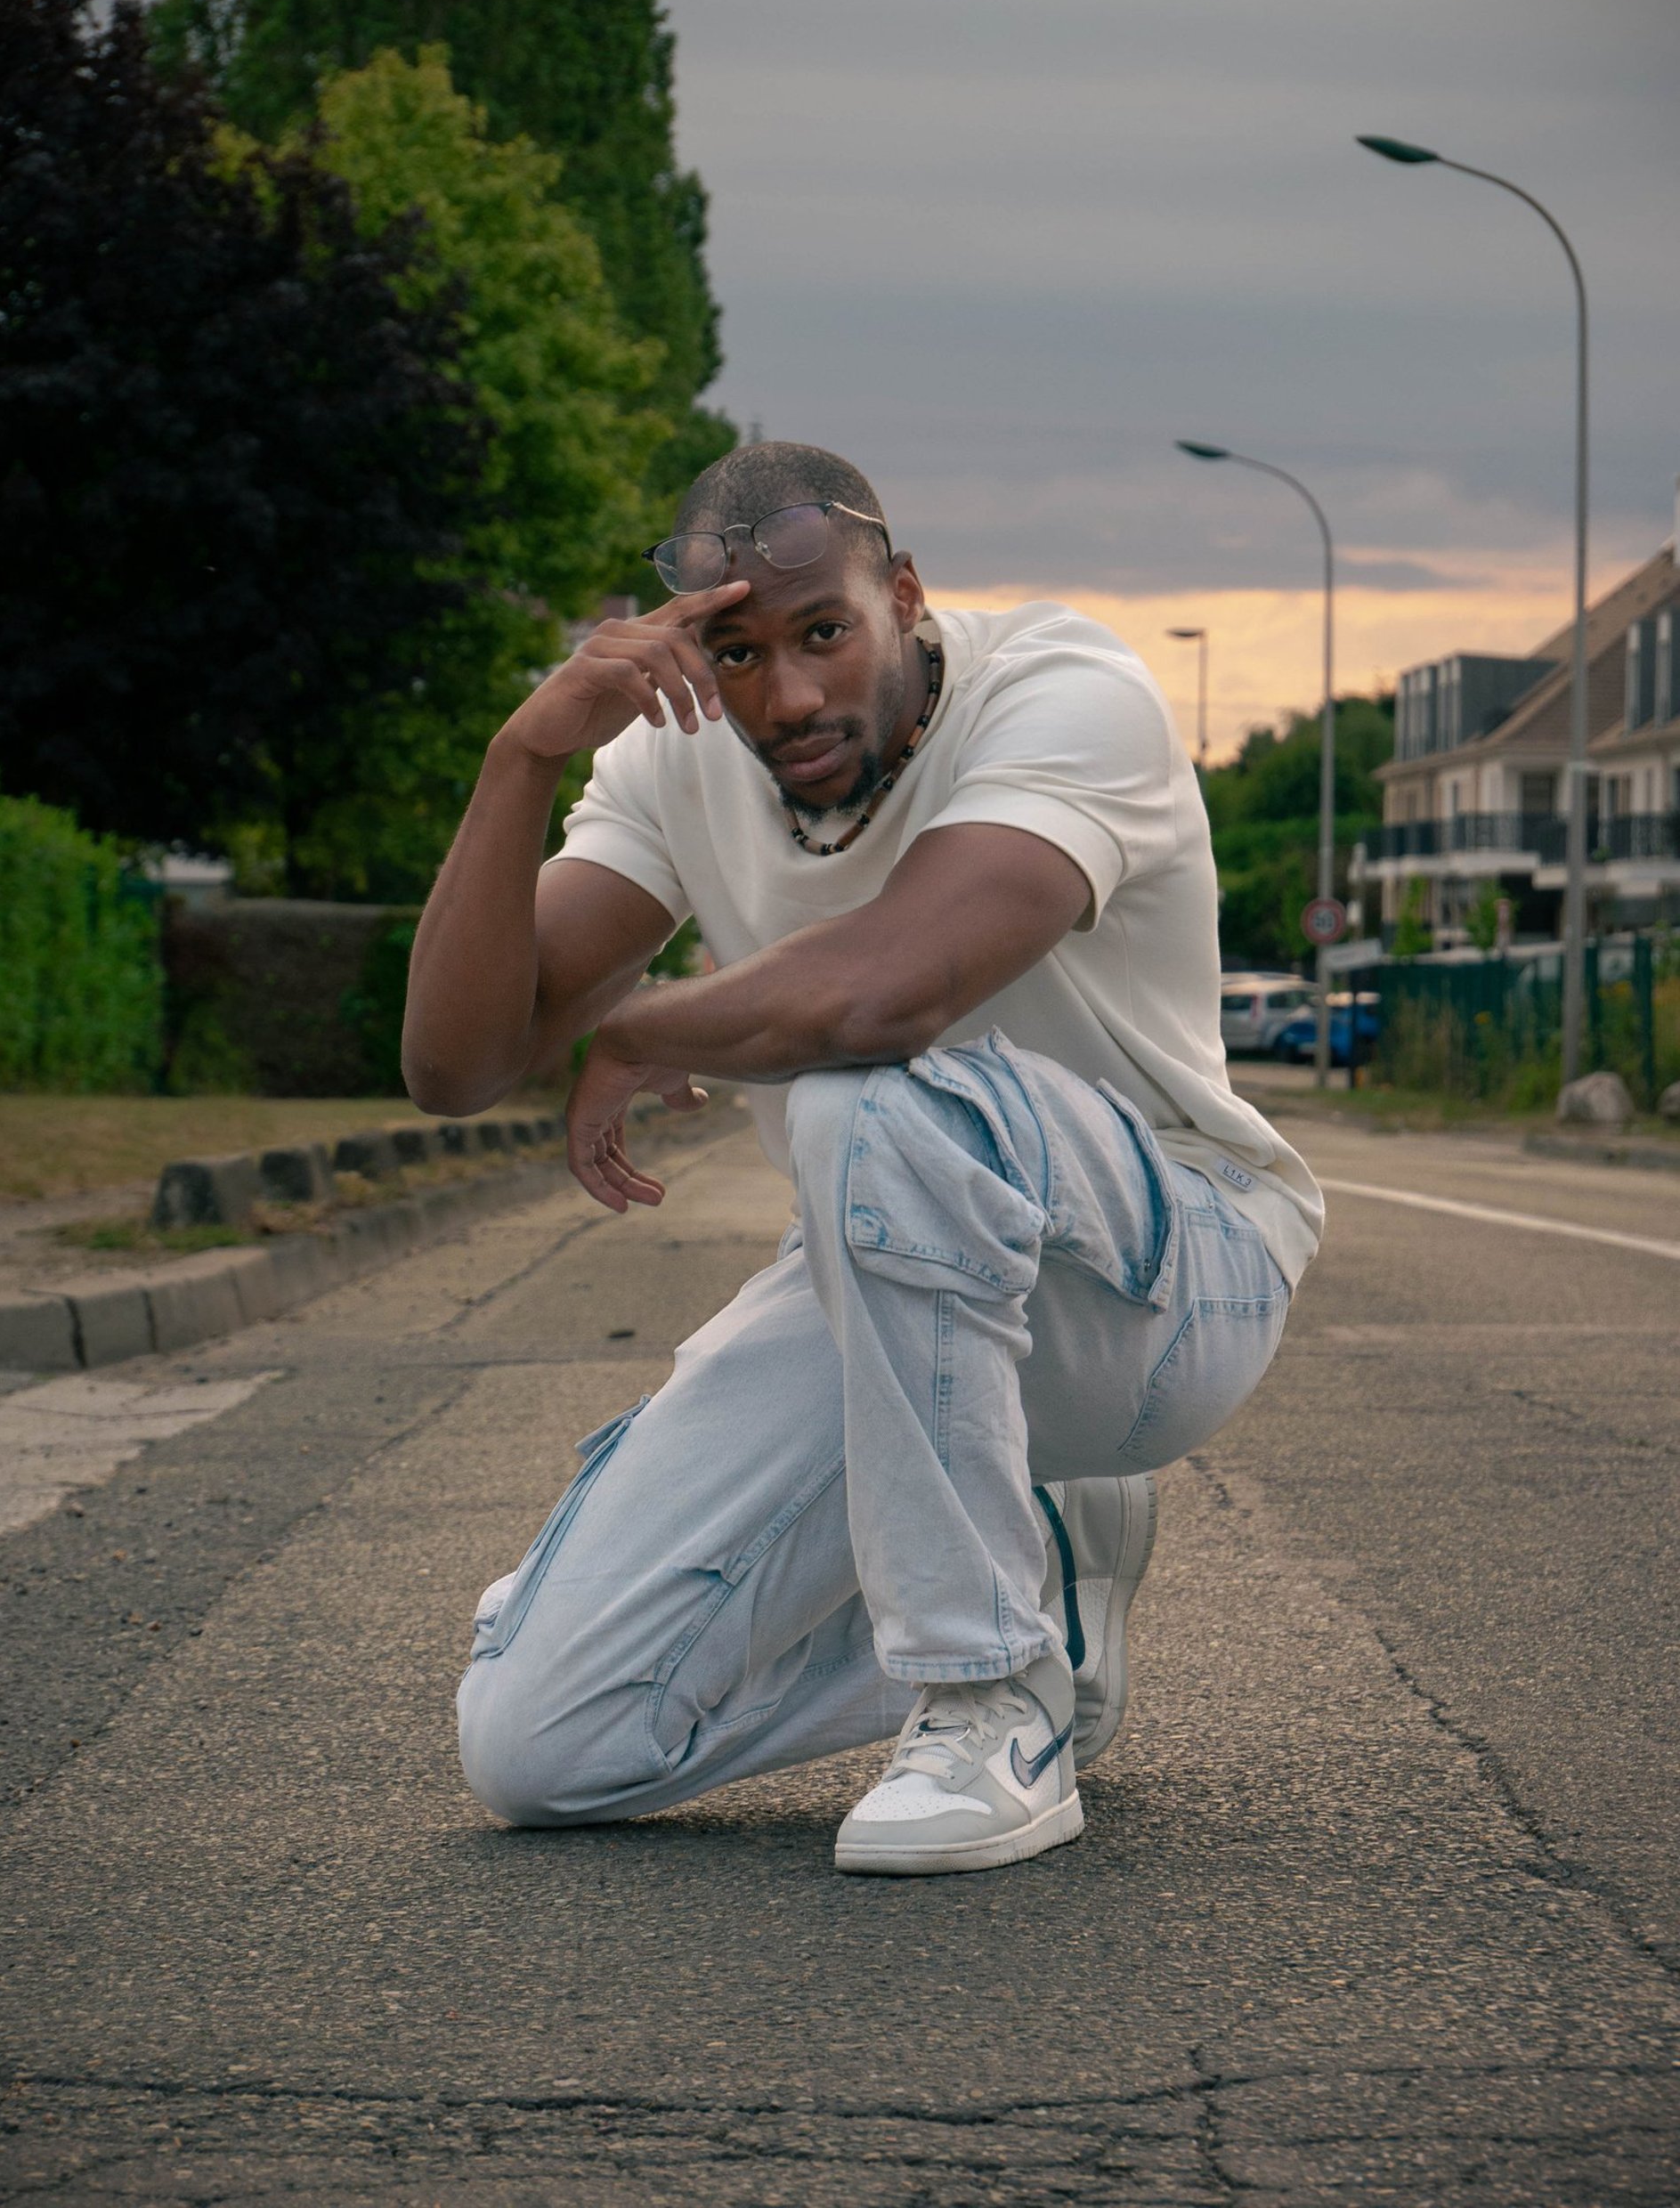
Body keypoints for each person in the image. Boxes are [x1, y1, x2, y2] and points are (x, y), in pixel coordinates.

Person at [405, 442, 1322, 1877]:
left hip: (1171, 1277)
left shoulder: (1066, 691)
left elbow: (884, 998)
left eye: (824, 630)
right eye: (737, 652)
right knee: (541, 1744)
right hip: (892, 1280)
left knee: (863, 1099)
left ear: (902, 596)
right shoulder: (678, 760)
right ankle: (1043, 1600)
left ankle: (991, 1699)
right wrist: (522, 756)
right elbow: (455, 1064)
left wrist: (636, 1026)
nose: (787, 697)